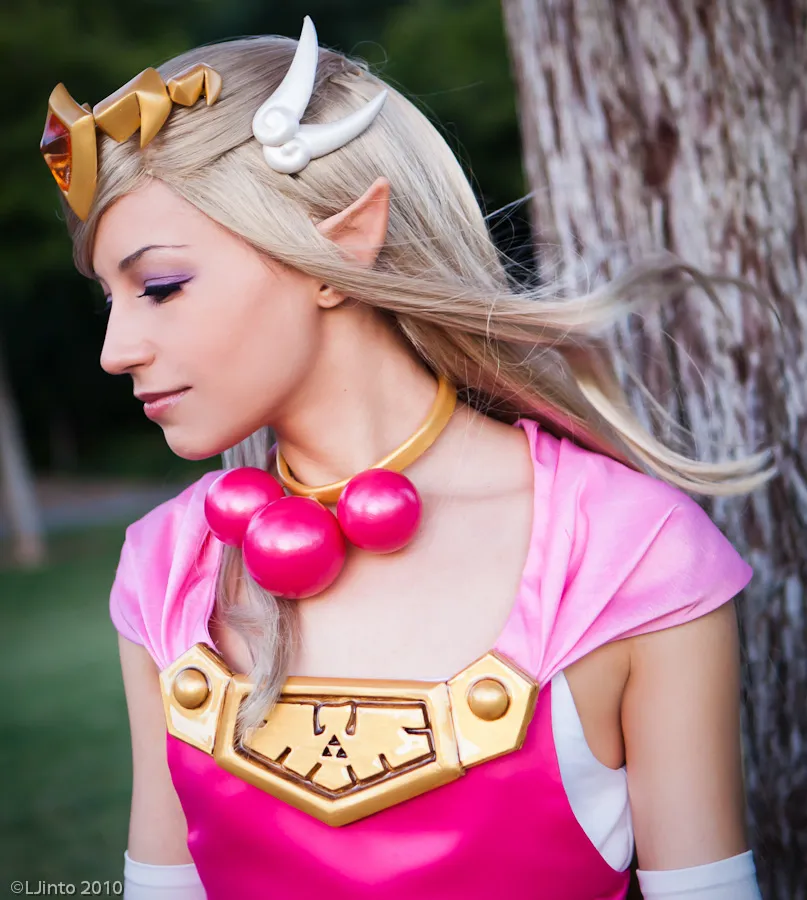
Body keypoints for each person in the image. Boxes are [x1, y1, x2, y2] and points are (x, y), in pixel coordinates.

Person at [40, 16, 772, 900]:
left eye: (159, 287)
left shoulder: (627, 553)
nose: (115, 351)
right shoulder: (166, 566)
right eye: (110, 299)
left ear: (340, 244)